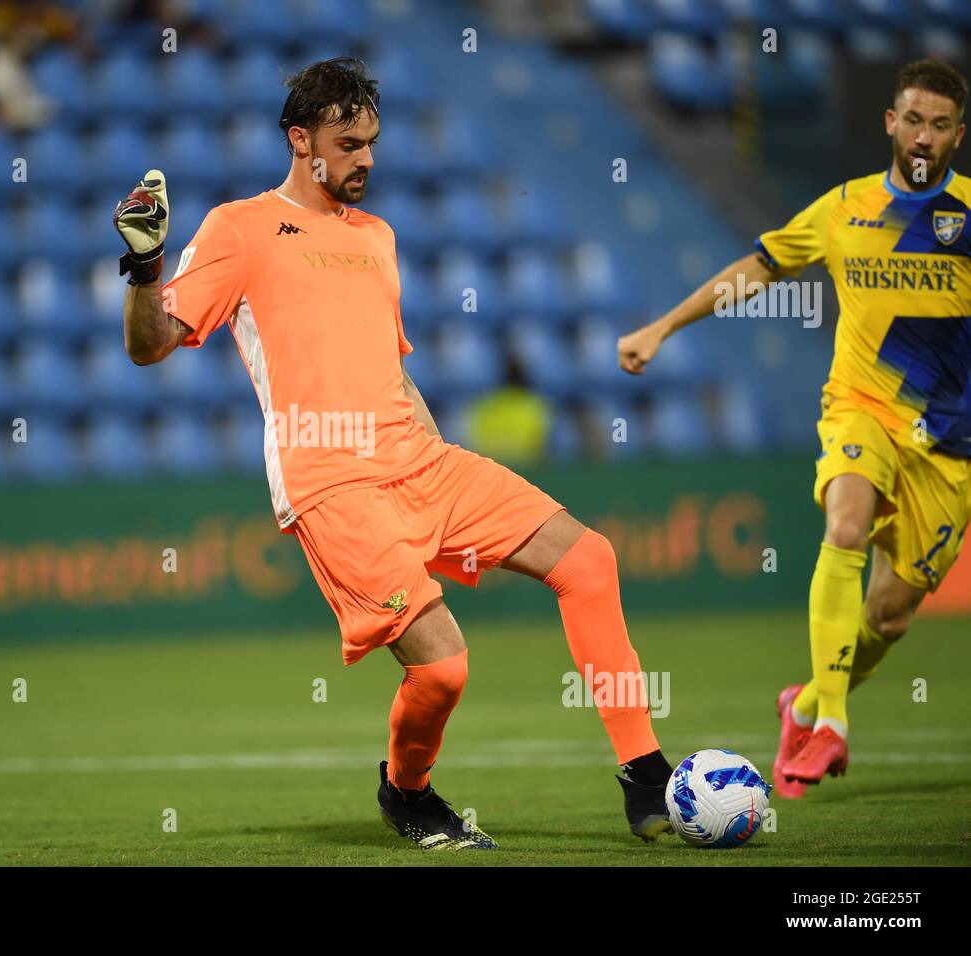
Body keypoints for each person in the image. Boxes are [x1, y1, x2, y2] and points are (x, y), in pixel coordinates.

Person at [117, 57, 672, 849]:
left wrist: (440, 468)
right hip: (332, 484)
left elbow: (391, 366)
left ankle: (646, 776)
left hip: (422, 461)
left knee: (591, 561)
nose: (366, 159)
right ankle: (407, 792)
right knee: (444, 669)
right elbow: (151, 346)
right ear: (299, 140)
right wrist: (143, 270)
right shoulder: (238, 228)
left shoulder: (378, 237)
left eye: (372, 142)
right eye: (348, 144)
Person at [617, 59, 969, 798]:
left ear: (957, 135)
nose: (922, 136)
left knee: (891, 614)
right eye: (911, 119)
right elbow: (760, 267)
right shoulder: (844, 208)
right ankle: (832, 722)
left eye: (939, 124)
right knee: (845, 524)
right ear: (889, 123)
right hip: (861, 409)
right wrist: (664, 325)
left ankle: (804, 702)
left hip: (950, 442)